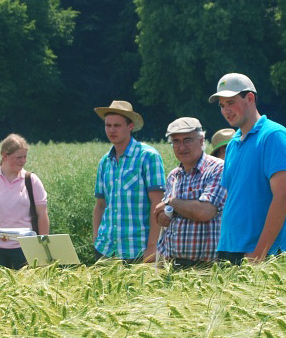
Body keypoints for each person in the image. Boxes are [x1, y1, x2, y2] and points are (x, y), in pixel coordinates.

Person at [210, 72, 286, 264]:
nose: (226, 110)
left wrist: (260, 252)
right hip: (230, 248)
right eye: (222, 105)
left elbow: (282, 197)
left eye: (231, 102)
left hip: (265, 253)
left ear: (250, 98)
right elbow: (234, 198)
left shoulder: (273, 135)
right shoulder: (233, 143)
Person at [92, 100, 165, 263]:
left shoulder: (148, 156)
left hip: (137, 249)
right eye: (108, 125)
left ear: (130, 126)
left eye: (117, 125)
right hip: (106, 249)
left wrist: (152, 246)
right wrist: (96, 239)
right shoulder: (105, 162)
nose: (111, 130)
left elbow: (157, 204)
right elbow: (100, 205)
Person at [154, 118, 227, 267]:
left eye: (187, 140)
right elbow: (165, 214)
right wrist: (163, 216)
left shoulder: (218, 169)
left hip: (206, 268)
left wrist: (171, 202)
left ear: (201, 140)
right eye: (176, 141)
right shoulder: (174, 176)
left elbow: (205, 212)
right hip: (172, 264)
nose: (181, 147)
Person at [0, 134, 50, 269]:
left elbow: (42, 215)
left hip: (25, 248)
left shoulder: (32, 181)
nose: (23, 161)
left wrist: (44, 247)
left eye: (25, 157)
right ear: (4, 155)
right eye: (19, 157)